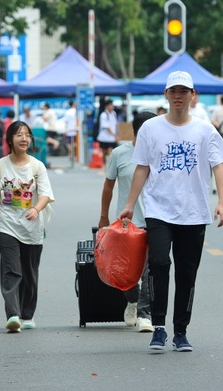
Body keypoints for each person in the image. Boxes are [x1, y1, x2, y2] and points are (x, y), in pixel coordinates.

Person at [118, 71, 223, 352]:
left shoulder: (205, 130)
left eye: (184, 91)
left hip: (194, 213)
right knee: (158, 264)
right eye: (173, 91)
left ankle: (180, 331)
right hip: (158, 210)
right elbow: (142, 167)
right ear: (166, 95)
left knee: (187, 273)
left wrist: (222, 202)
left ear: (193, 95)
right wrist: (130, 204)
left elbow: (219, 165)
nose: (178, 96)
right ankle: (158, 327)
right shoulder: (150, 129)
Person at [0, 120, 55, 333]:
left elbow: (45, 194)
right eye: (18, 135)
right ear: (10, 140)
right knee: (12, 270)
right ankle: (13, 314)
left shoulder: (36, 166)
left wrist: (36, 209)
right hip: (6, 226)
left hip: (32, 228)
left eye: (27, 135)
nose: (23, 138)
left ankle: (27, 314)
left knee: (30, 274)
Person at [98, 111, 157, 333]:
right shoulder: (120, 154)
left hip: (155, 221)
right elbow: (108, 185)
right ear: (139, 131)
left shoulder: (160, 153)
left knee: (150, 269)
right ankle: (132, 301)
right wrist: (104, 215)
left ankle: (144, 313)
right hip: (127, 224)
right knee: (126, 272)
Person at [96, 99, 118, 167]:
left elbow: (115, 125)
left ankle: (109, 166)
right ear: (107, 106)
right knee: (104, 153)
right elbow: (107, 127)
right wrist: (115, 135)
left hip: (111, 138)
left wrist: (116, 134)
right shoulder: (104, 115)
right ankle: (104, 166)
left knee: (110, 152)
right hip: (104, 137)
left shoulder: (114, 113)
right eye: (111, 105)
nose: (112, 106)